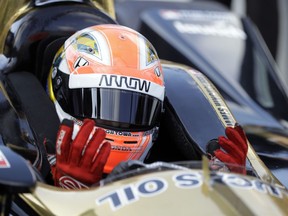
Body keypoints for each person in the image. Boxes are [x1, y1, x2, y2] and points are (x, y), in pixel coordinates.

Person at [46, 24, 248, 189]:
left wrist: (231, 191)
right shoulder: (31, 160)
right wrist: (66, 193)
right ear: (62, 92)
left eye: (134, 108)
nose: (118, 120)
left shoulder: (172, 165)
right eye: (100, 103)